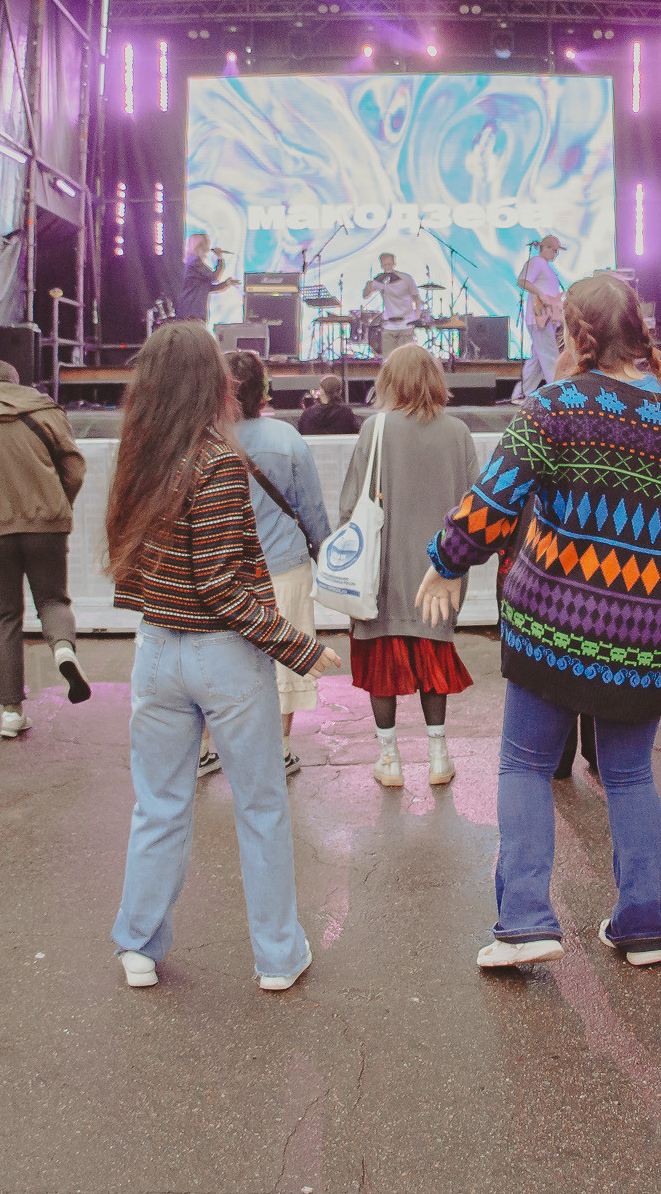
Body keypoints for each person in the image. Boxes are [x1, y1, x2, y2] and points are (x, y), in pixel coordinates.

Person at [423, 273, 661, 971]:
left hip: (557, 625)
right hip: (652, 633)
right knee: (629, 776)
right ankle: (643, 927)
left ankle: (526, 918)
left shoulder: (556, 404)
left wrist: (445, 559)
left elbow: (492, 501)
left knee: (526, 763)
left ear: (576, 333)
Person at [106, 322, 346, 992]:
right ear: (211, 383)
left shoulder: (139, 455)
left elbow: (134, 566)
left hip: (155, 650)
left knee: (158, 803)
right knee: (261, 806)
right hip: (225, 657)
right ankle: (277, 955)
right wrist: (299, 647)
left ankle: (138, 944)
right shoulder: (215, 462)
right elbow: (219, 583)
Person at [336, 343, 478, 787]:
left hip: (383, 571)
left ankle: (390, 759)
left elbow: (349, 507)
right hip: (441, 571)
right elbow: (476, 507)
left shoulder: (374, 429)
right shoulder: (458, 432)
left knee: (382, 658)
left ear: (388, 381)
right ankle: (438, 756)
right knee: (434, 652)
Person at [0, 357, 90, 738]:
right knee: (53, 601)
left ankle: (11, 712)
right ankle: (63, 649)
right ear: (16, 382)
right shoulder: (46, 409)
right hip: (46, 526)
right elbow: (74, 467)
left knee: (4, 617)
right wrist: (58, 504)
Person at [222, 349, 331, 779]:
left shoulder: (204, 438)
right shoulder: (287, 439)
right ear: (263, 391)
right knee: (286, 657)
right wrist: (323, 550)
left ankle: (207, 750)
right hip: (284, 566)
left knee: (221, 659)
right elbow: (311, 509)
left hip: (225, 571)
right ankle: (279, 751)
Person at [513, 234, 567, 401]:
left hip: (546, 317)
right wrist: (541, 294)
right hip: (539, 317)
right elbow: (522, 280)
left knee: (537, 359)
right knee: (550, 355)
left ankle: (522, 393)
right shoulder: (536, 262)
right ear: (545, 248)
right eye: (554, 250)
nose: (555, 254)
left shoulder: (545, 266)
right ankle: (557, 393)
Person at [360, 252, 427, 355]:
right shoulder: (381, 280)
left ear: (394, 264)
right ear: (381, 265)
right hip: (389, 324)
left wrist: (417, 314)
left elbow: (416, 298)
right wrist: (368, 286)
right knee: (389, 359)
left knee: (406, 359)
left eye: (389, 264)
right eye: (385, 265)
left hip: (406, 323)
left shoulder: (406, 278)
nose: (387, 267)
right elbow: (365, 295)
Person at [177, 231, 237, 322]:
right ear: (201, 246)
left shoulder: (194, 261)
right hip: (192, 310)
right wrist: (220, 258)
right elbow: (214, 277)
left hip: (196, 310)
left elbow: (208, 287)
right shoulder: (194, 261)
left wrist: (226, 283)